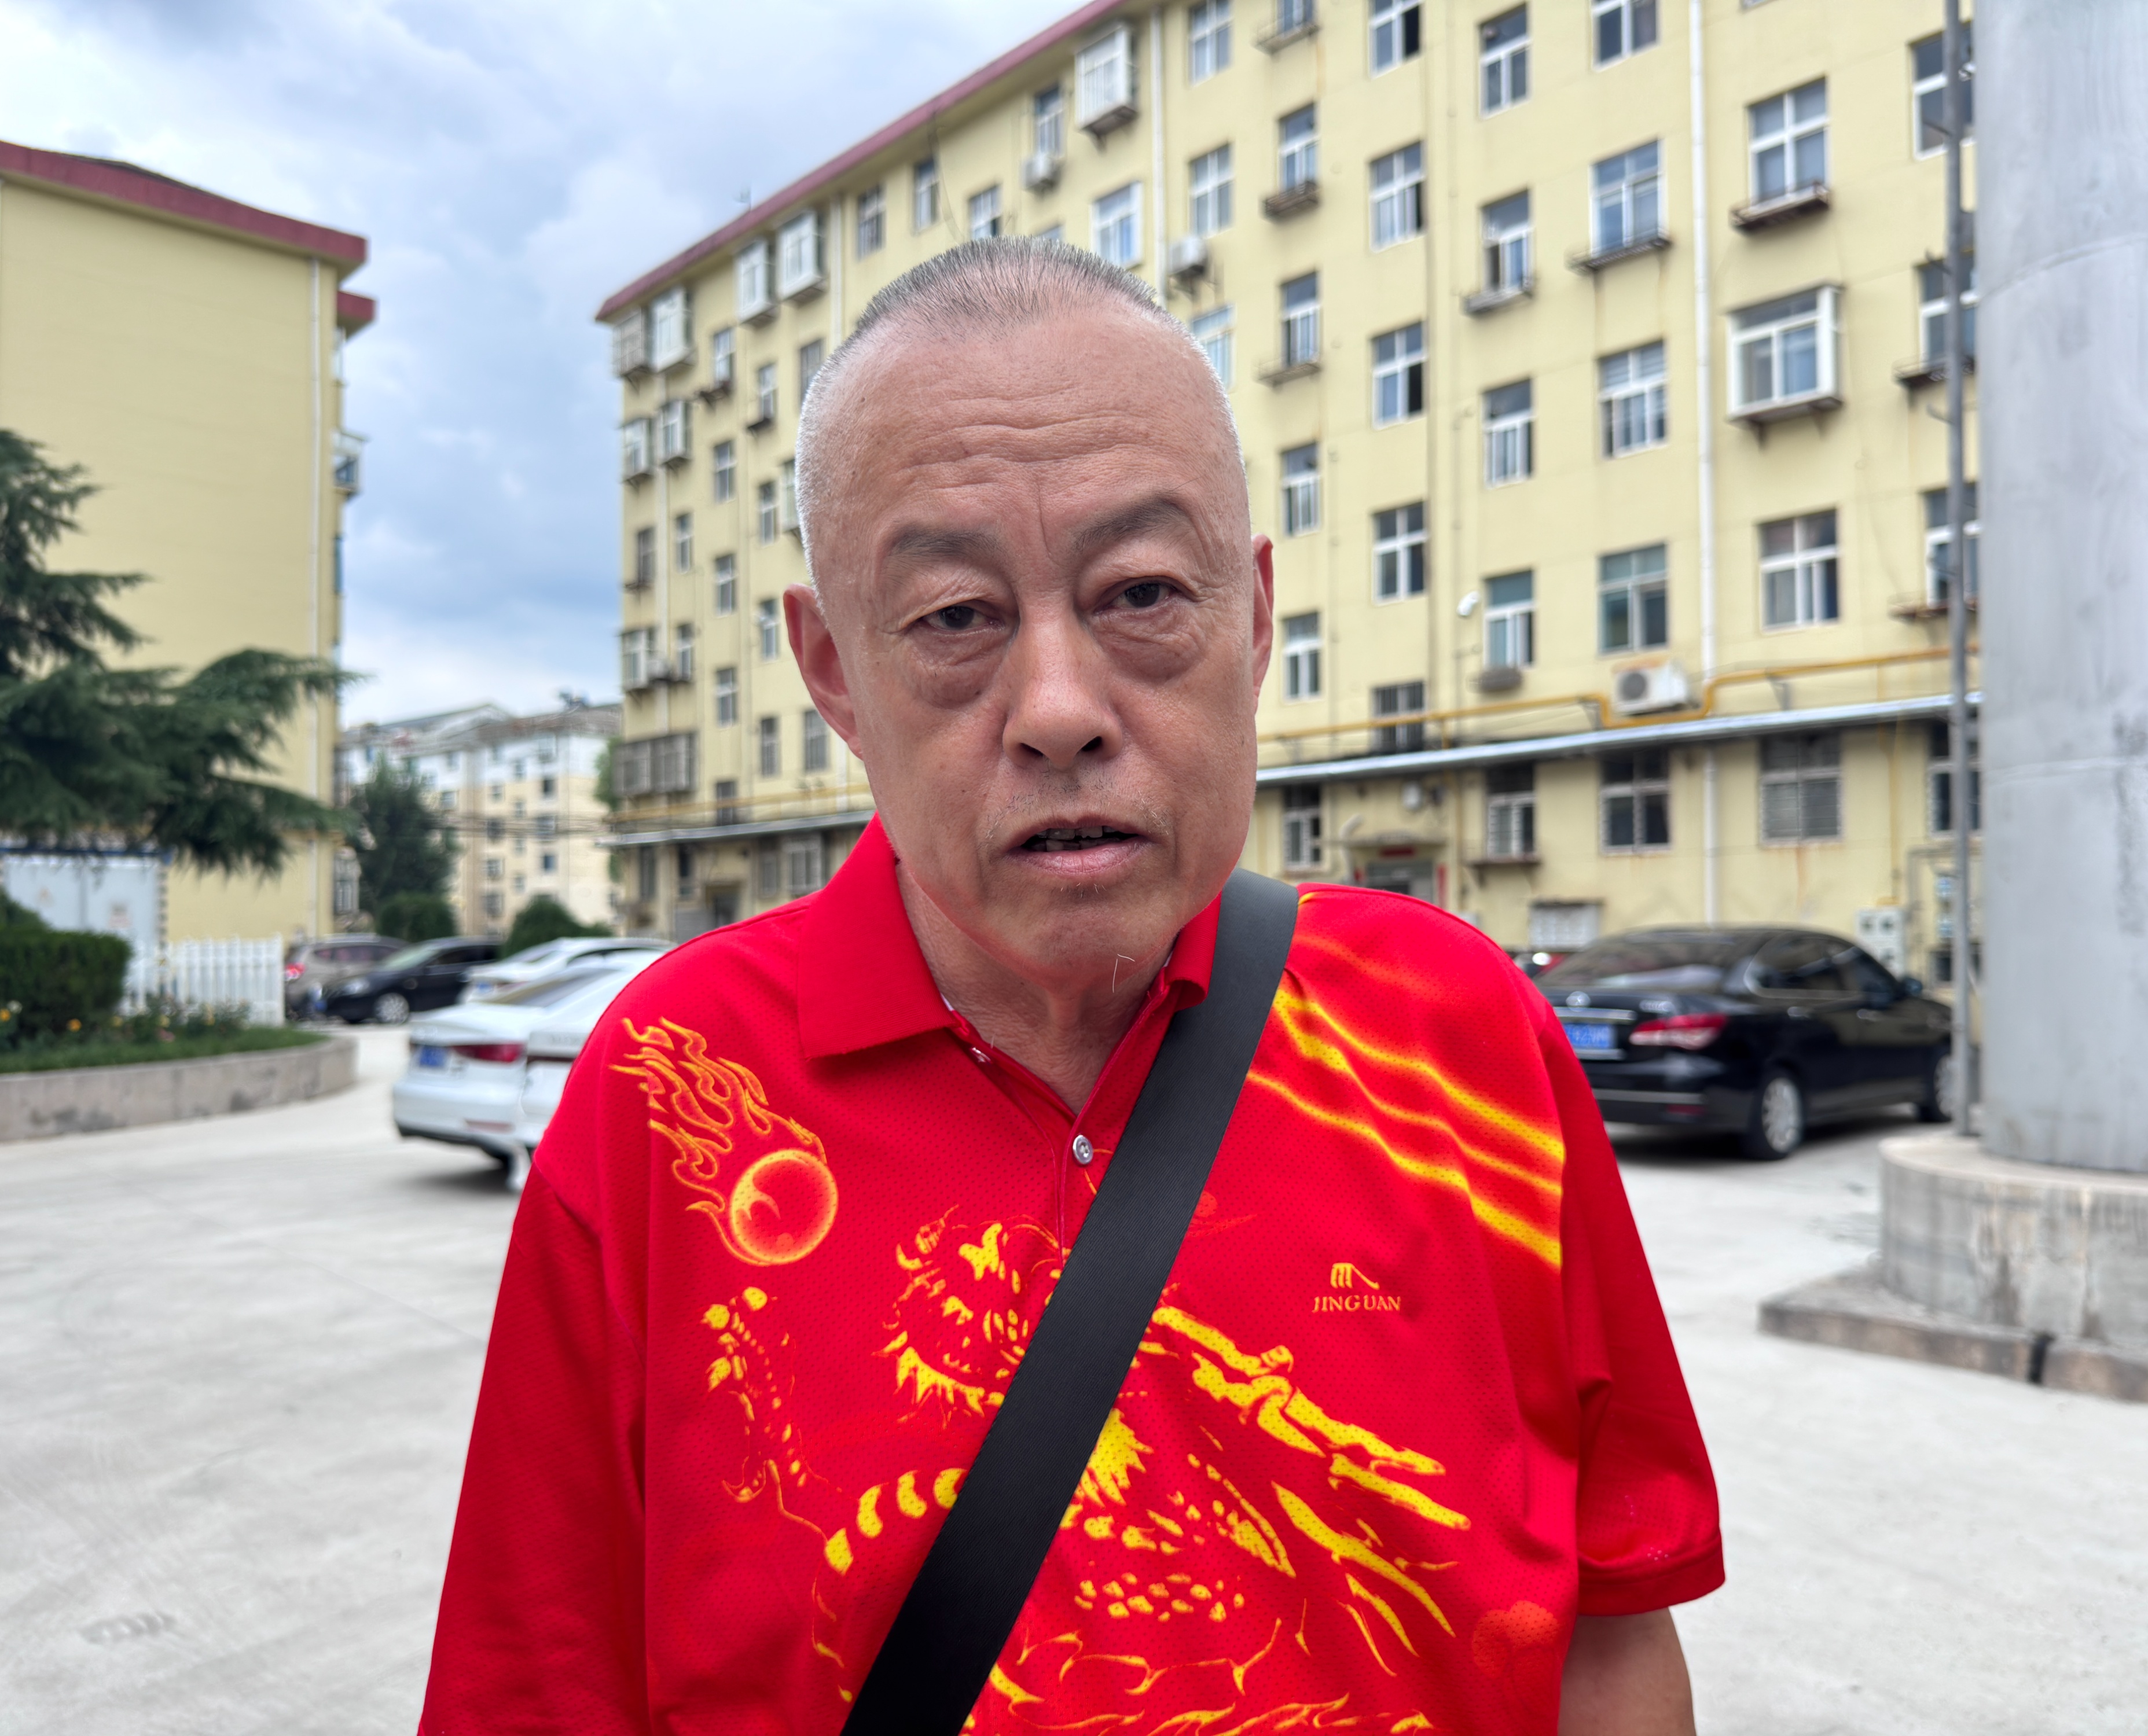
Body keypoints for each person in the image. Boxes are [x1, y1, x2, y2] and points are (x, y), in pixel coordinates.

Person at [420, 240, 1721, 1735]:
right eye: (955, 618)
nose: (1057, 711)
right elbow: (536, 1691)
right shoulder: (672, 1095)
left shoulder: (1459, 1034)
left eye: (1142, 592)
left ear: (1254, 619)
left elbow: (1611, 1633)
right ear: (832, 670)